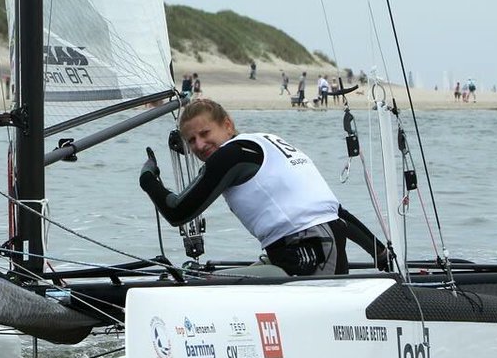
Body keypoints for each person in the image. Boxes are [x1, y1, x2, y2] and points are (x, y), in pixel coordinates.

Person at [138, 99, 385, 276]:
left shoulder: (231, 155)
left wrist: (148, 179)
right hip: (317, 248)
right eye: (191, 140)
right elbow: (334, 212)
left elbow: (177, 212)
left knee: (203, 285)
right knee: (209, 280)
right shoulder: (266, 142)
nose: (200, 145)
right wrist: (381, 253)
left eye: (204, 133)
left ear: (227, 124)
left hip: (309, 255)